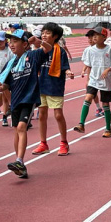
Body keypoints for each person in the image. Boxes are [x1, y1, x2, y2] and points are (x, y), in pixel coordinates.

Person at [0, 29, 50, 179]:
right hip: (16, 100)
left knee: (21, 127)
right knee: (16, 131)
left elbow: (48, 48)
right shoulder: (10, 63)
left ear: (25, 44)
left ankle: (19, 160)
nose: (11, 44)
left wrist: (38, 42)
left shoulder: (33, 56)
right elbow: (7, 83)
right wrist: (0, 89)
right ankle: (20, 164)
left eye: (15, 41)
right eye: (10, 41)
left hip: (29, 99)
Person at [32, 22, 73, 156]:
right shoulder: (39, 51)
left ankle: (64, 142)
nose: (44, 35)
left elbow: (65, 67)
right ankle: (43, 143)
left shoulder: (60, 51)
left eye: (48, 33)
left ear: (55, 36)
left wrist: (68, 72)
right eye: (43, 32)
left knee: (58, 115)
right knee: (42, 115)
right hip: (41, 85)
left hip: (55, 86)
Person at [75, 26, 111, 137]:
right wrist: (88, 79)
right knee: (88, 98)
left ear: (104, 37)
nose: (94, 37)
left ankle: (108, 129)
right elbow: (89, 65)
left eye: (97, 35)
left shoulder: (110, 49)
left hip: (106, 80)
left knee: (105, 104)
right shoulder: (90, 50)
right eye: (93, 35)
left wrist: (108, 69)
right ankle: (81, 124)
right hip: (94, 79)